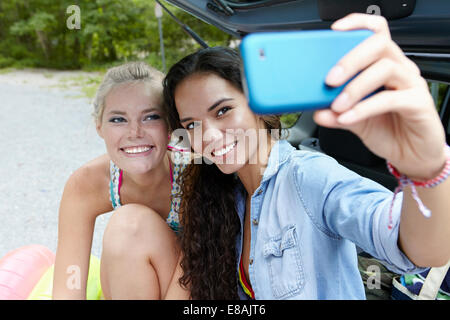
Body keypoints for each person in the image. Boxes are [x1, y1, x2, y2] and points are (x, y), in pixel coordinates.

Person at [162, 13, 450, 299]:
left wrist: (427, 169)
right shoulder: (222, 197)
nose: (209, 136)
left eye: (222, 111)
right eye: (192, 125)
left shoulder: (310, 177)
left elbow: (423, 250)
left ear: (259, 105)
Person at [53, 62, 189, 300]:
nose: (135, 132)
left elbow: (200, 265)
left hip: (199, 281)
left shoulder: (194, 175)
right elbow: (68, 284)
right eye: (118, 120)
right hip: (135, 285)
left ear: (170, 126)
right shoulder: (86, 183)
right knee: (126, 226)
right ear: (99, 127)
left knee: (131, 225)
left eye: (151, 117)